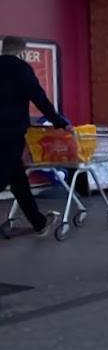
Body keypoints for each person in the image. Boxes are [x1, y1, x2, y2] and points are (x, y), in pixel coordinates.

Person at [0, 36, 70, 237]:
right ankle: (38, 222)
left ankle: (39, 222)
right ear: (21, 51)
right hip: (11, 131)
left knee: (18, 180)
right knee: (4, 176)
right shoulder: (21, 69)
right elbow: (38, 97)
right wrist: (59, 122)